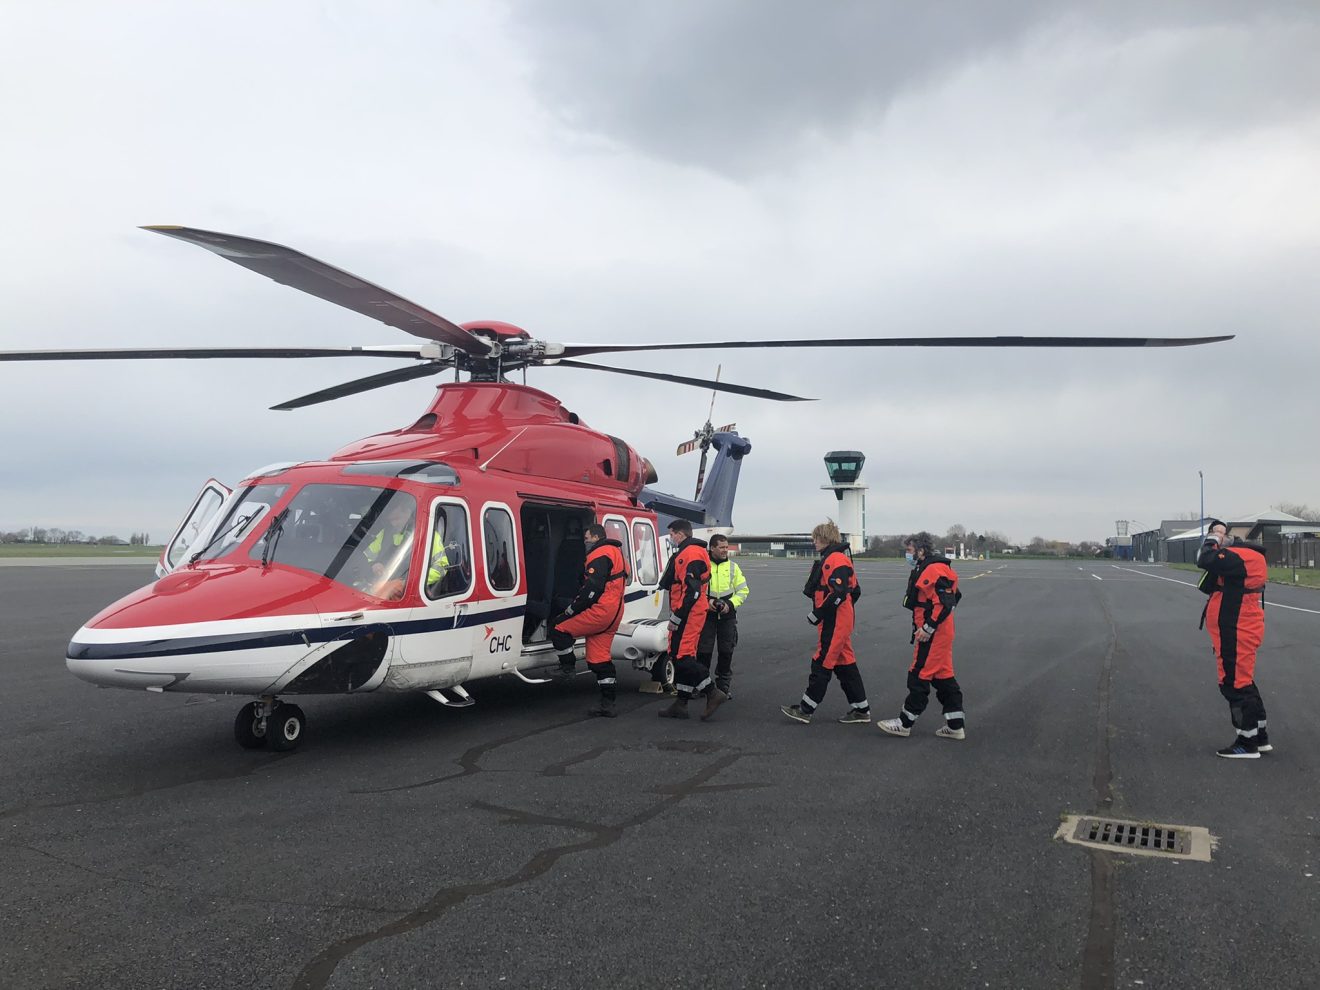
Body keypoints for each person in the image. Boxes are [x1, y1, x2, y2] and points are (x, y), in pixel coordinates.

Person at [780, 520, 870, 725]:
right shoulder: (840, 558)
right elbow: (854, 592)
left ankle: (805, 709)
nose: (814, 542)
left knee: (822, 660)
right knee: (844, 663)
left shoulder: (835, 560)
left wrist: (819, 613)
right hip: (840, 619)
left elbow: (839, 593)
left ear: (825, 538)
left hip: (835, 621)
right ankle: (861, 709)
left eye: (816, 538)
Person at [877, 534, 965, 740]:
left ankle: (905, 722)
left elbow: (945, 602)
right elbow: (955, 595)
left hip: (934, 634)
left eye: (909, 550)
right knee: (943, 678)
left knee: (918, 674)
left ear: (921, 550)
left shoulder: (934, 570)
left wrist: (928, 627)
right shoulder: (929, 568)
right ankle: (955, 725)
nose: (907, 554)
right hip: (937, 632)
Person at [1197, 519, 1271, 759]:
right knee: (1244, 681)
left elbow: (1205, 559)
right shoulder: (1243, 558)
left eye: (1223, 535)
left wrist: (1213, 538)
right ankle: (1258, 738)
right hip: (1237, 625)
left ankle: (1246, 743)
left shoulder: (1242, 556)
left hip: (1236, 626)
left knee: (1234, 683)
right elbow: (1207, 582)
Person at [550, 523, 630, 717]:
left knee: (558, 628)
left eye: (586, 539)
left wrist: (571, 610)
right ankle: (608, 703)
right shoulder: (617, 554)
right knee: (599, 661)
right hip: (615, 612)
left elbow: (591, 590)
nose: (585, 542)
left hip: (601, 611)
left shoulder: (600, 554)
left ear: (595, 537)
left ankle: (567, 668)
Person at [657, 519, 727, 720]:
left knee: (683, 656)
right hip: (686, 611)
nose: (670, 538)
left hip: (689, 613)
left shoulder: (692, 554)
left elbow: (693, 591)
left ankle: (712, 692)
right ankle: (682, 702)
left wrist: (678, 617)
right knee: (678, 655)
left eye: (671, 534)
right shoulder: (689, 553)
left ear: (680, 534)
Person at [698, 533, 749, 699]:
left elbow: (743, 591)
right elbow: (696, 590)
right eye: (722, 547)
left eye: (726, 547)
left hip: (727, 615)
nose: (725, 550)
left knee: (726, 651)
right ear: (712, 548)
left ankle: (722, 688)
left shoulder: (733, 567)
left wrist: (730, 604)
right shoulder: (704, 566)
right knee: (703, 651)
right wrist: (707, 603)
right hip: (707, 614)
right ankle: (703, 687)